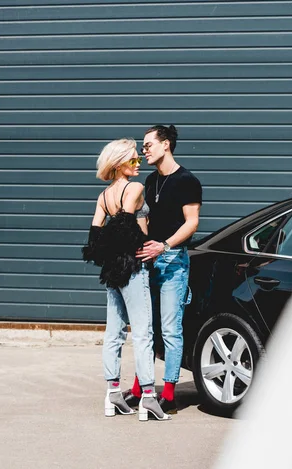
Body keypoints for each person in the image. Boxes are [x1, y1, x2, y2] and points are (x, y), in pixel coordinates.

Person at [82, 138, 171, 421]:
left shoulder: (103, 197)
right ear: (119, 164)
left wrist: (112, 256)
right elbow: (124, 228)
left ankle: (113, 395)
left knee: (114, 333)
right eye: (133, 160)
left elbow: (94, 240)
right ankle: (148, 397)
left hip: (113, 271)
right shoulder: (135, 188)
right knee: (143, 334)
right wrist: (141, 248)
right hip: (133, 269)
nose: (138, 163)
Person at [124, 125, 202, 414]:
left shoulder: (187, 181)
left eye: (148, 145)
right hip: (150, 261)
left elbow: (191, 222)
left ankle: (168, 394)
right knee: (146, 329)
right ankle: (139, 387)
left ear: (166, 144)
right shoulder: (150, 180)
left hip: (173, 263)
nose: (144, 150)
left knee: (170, 329)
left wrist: (164, 246)